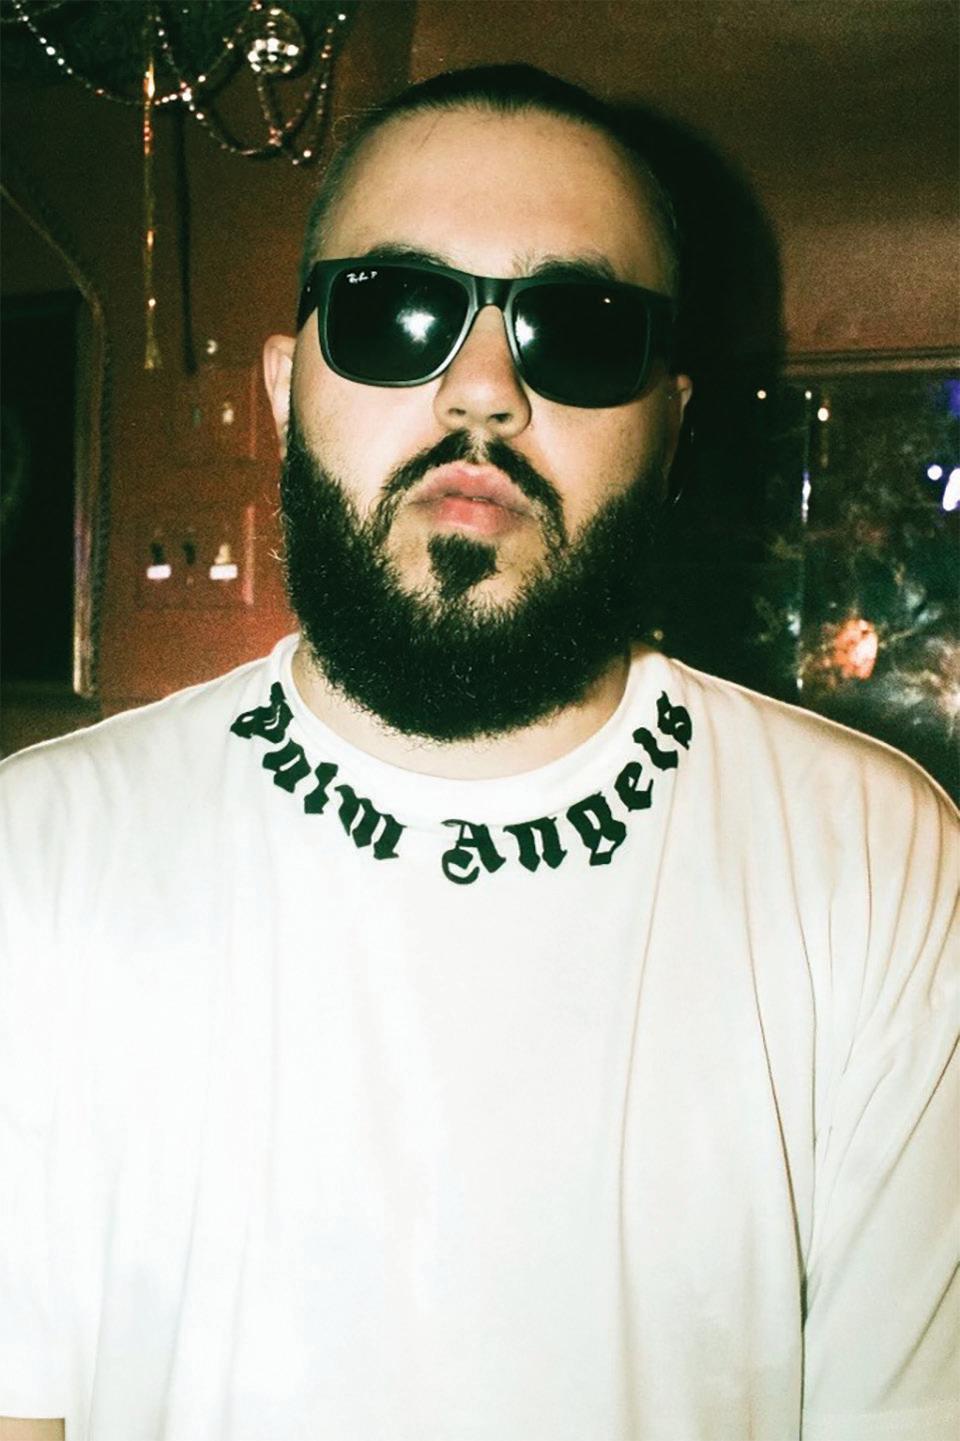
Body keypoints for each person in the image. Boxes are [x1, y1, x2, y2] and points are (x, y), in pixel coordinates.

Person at [0, 63, 956, 1441]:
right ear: (285, 392)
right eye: (396, 309)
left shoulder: (878, 862)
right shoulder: (39, 854)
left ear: (670, 429)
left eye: (581, 331)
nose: (483, 390)